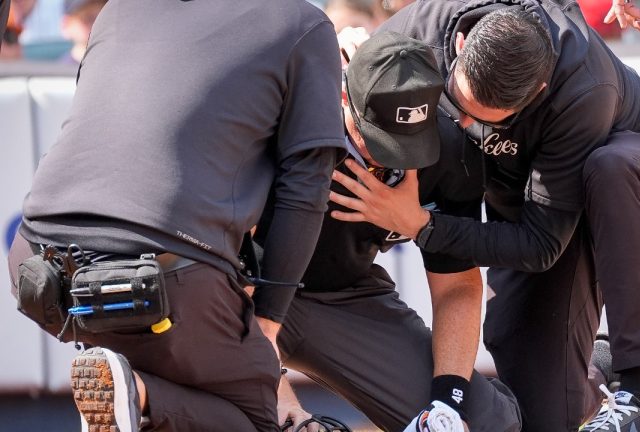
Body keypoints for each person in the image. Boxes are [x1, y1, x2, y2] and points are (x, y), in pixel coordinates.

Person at [330, 1, 640, 431]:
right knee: (538, 416)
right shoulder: (421, 34)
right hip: (539, 210)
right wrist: (341, 50)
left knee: (611, 168)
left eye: (482, 120)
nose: (463, 123)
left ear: (538, 91)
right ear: (460, 43)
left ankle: (637, 399)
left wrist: (422, 225)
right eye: (458, 104)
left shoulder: (580, 91)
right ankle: (602, 373)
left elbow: (541, 245)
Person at [7, 0, 345, 430]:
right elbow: (305, 190)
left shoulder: (119, 7)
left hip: (35, 264)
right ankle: (139, 394)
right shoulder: (305, 24)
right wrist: (266, 323)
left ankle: (131, 395)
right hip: (162, 272)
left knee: (169, 390)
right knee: (259, 419)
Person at [256, 30, 522, 432]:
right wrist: (276, 394)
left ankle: (591, 378)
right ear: (344, 95)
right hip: (244, 294)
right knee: (249, 411)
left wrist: (447, 403)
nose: (386, 156)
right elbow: (218, 261)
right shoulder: (284, 120)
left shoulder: (449, 149)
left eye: (407, 142)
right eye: (374, 139)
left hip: (342, 296)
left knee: (488, 423)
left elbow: (456, 286)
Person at [59, 0, 106, 65]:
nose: (98, 24)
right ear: (66, 25)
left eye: (104, 17)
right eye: (89, 18)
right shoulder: (60, 71)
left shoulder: (117, 63)